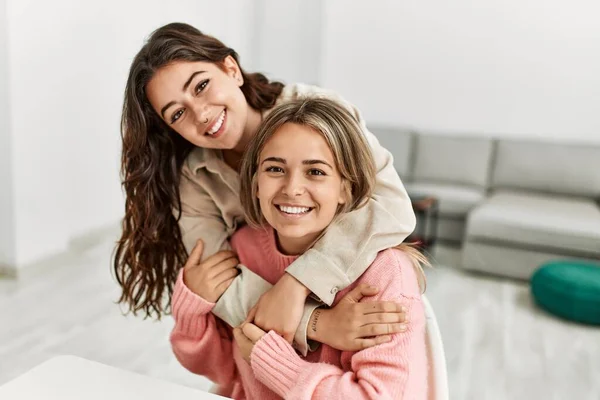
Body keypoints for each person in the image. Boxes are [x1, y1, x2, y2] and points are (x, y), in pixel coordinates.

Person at [114, 22, 416, 354]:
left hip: (357, 295)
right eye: (177, 113)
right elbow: (219, 282)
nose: (199, 115)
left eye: (201, 86)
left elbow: (391, 204)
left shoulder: (314, 111)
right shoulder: (195, 180)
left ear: (231, 69)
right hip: (267, 347)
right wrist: (315, 324)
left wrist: (299, 281)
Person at [170, 98, 428, 399]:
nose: (292, 188)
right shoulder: (240, 250)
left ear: (346, 188)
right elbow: (222, 370)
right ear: (255, 184)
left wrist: (274, 361)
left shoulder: (386, 275)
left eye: (315, 172)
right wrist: (193, 308)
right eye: (275, 169)